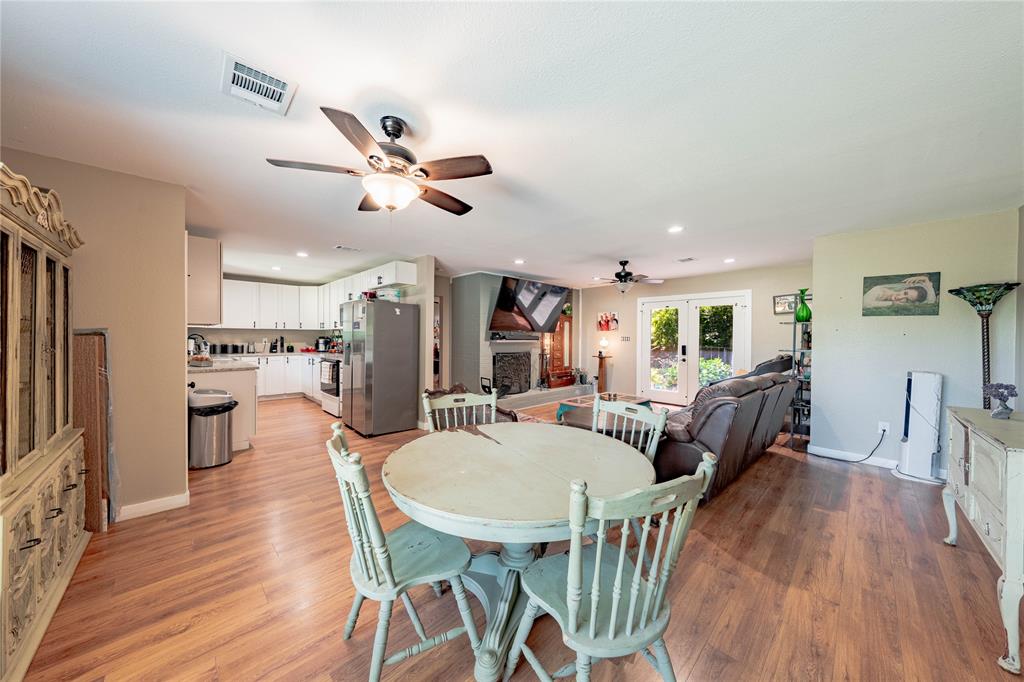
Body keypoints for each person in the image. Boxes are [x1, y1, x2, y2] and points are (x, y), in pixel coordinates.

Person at [863, 275, 936, 309]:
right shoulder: (879, 290)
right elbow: (864, 303)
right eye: (905, 293)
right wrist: (892, 303)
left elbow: (930, 301)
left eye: (907, 299)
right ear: (904, 288)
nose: (900, 297)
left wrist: (926, 280)